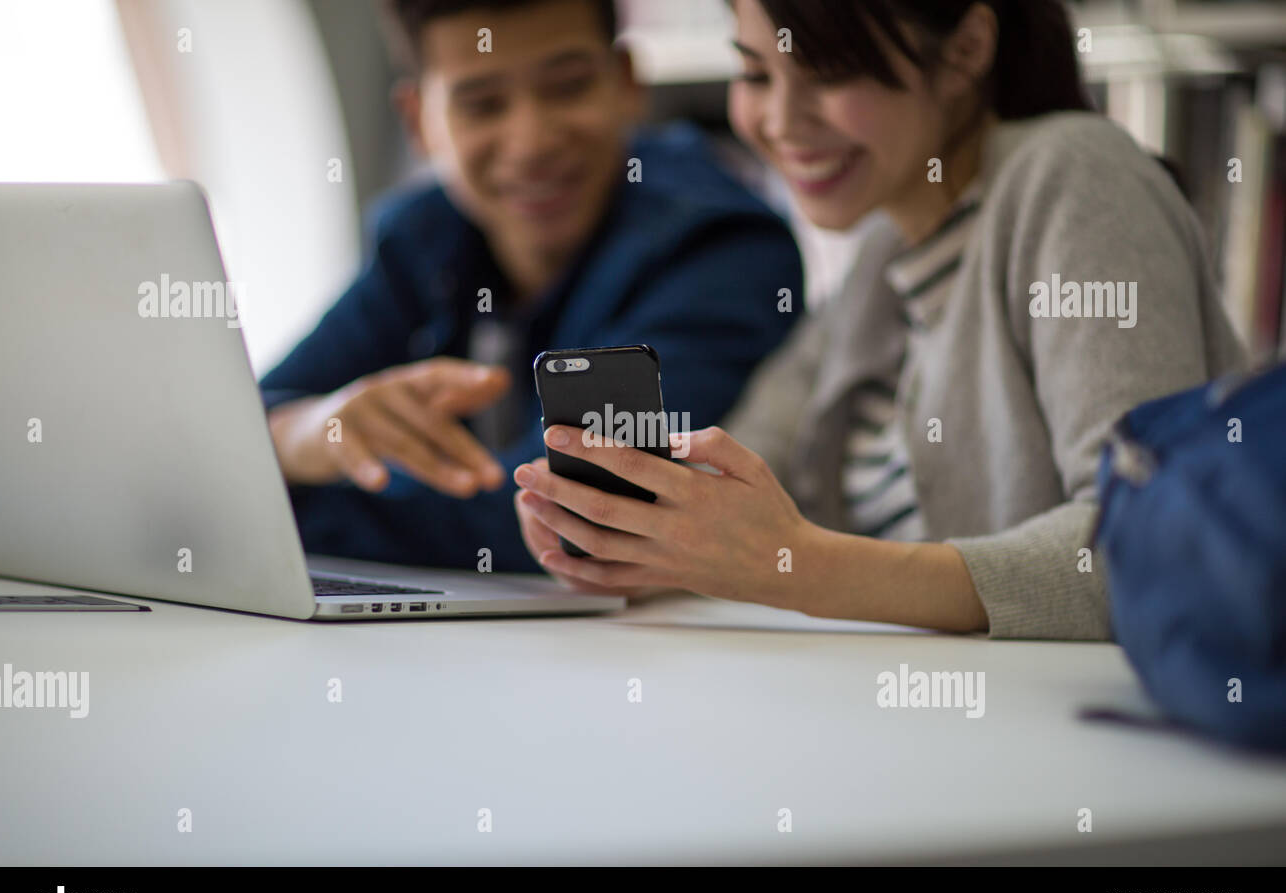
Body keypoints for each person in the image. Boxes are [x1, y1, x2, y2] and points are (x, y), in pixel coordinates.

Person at [512, 0, 1246, 639]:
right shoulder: (883, 252)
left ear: (965, 50)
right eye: (756, 75)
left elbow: (1146, 537)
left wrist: (800, 567)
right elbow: (752, 459)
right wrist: (644, 547)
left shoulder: (1079, 176)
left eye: (829, 73)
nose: (779, 122)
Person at [260, 0, 804, 571]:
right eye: (483, 105)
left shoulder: (719, 248)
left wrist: (270, 490)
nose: (532, 143)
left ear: (626, 83)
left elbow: (560, 518)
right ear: (418, 119)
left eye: (568, 88)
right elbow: (241, 420)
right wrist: (304, 434)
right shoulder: (421, 236)